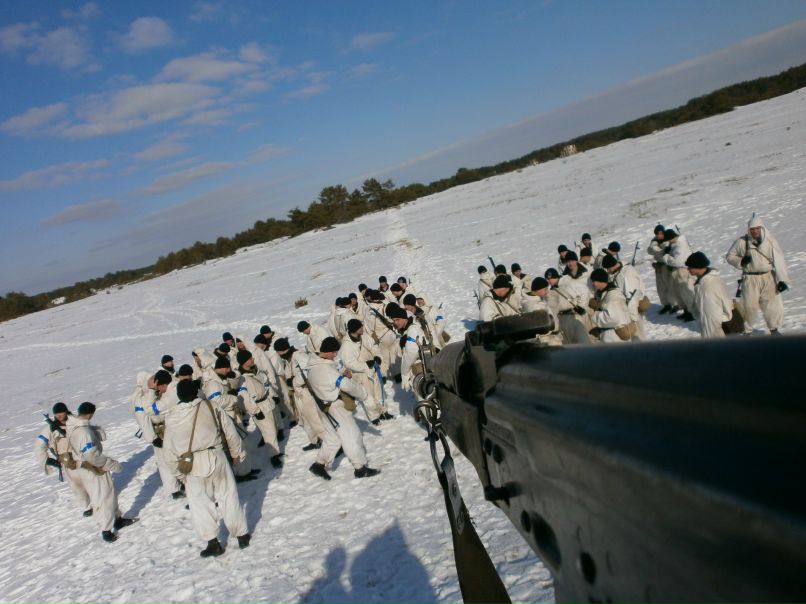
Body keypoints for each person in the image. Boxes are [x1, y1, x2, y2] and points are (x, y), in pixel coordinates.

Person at [164, 380, 251, 557]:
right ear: (196, 392)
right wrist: (236, 454)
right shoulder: (211, 406)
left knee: (200, 504)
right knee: (228, 496)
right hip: (216, 456)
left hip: (192, 463)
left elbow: (169, 451)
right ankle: (241, 535)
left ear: (179, 395)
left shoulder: (172, 417)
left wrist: (179, 473)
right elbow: (230, 431)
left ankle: (213, 543)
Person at [306, 337, 381, 479]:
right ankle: (360, 468)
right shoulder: (327, 371)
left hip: (322, 406)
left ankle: (319, 465)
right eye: (334, 352)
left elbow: (326, 379)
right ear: (327, 351)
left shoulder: (313, 366)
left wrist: (340, 374)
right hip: (335, 407)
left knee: (333, 438)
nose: (335, 355)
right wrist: (363, 394)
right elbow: (347, 386)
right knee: (352, 436)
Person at [65, 402, 135, 542]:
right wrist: (108, 464)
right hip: (93, 468)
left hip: (85, 467)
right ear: (91, 414)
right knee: (103, 498)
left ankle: (117, 519)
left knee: (109, 494)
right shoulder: (84, 432)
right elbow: (90, 453)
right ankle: (106, 530)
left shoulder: (74, 426)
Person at [726, 216, 790, 335]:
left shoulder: (770, 241)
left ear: (762, 228)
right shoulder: (742, 242)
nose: (755, 231)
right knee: (749, 306)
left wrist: (782, 280)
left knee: (772, 305)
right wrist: (741, 261)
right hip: (750, 279)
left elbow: (779, 260)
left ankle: (774, 330)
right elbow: (730, 256)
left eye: (757, 228)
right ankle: (747, 331)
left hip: (768, 277)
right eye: (752, 229)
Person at [34, 402, 92, 516]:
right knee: (77, 485)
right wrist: (48, 460)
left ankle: (98, 501)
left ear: (66, 411)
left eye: (61, 412)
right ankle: (87, 507)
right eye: (57, 413)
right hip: (67, 460)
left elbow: (88, 433)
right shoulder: (49, 428)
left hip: (83, 455)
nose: (59, 415)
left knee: (91, 480)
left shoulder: (76, 421)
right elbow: (39, 446)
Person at [132, 369, 180, 497]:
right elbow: (143, 418)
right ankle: (173, 489)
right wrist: (152, 438)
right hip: (157, 432)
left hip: (169, 426)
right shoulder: (140, 398)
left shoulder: (157, 392)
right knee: (164, 461)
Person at [236, 350, 282, 468]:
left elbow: (266, 384)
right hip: (259, 407)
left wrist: (273, 395)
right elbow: (245, 398)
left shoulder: (257, 371)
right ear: (243, 362)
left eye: (251, 357)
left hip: (268, 402)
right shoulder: (242, 379)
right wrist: (255, 411)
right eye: (249, 359)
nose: (252, 359)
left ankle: (275, 451)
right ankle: (274, 456)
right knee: (269, 432)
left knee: (274, 427)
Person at [341, 319, 388, 425]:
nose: (362, 328)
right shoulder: (346, 346)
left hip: (374, 368)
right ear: (354, 330)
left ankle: (384, 411)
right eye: (360, 327)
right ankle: (374, 417)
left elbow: (374, 347)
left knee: (379, 392)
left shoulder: (365, 336)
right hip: (360, 374)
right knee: (368, 396)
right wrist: (365, 365)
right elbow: (349, 363)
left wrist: (377, 356)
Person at [686, 252, 735, 338]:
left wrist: (717, 320)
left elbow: (727, 303)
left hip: (715, 327)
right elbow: (697, 304)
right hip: (705, 325)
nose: (688, 269)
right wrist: (698, 315)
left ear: (698, 266)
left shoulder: (713, 283)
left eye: (690, 267)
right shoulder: (700, 284)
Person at [602, 254, 647, 339]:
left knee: (637, 334)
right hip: (625, 310)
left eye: (608, 268)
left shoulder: (627, 274)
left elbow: (632, 297)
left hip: (633, 310)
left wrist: (632, 318)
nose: (607, 271)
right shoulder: (616, 272)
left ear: (613, 265)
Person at [589, 269, 635, 343]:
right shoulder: (605, 293)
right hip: (611, 335)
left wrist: (594, 314)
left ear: (599, 280)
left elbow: (612, 318)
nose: (593, 284)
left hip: (614, 337)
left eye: (593, 281)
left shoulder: (613, 296)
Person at [662, 229, 695, 321]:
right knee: (679, 293)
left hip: (683, 271)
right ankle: (686, 311)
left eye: (668, 240)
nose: (668, 242)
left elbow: (678, 261)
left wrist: (666, 256)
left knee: (686, 293)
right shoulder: (676, 244)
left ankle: (692, 313)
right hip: (678, 271)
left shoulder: (681, 245)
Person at [647, 225, 677, 314]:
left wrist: (660, 249)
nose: (659, 235)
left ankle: (675, 304)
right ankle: (666, 304)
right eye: (657, 234)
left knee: (670, 285)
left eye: (660, 233)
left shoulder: (667, 240)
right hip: (659, 266)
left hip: (666, 265)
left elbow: (665, 252)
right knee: (660, 287)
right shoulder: (654, 241)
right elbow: (650, 250)